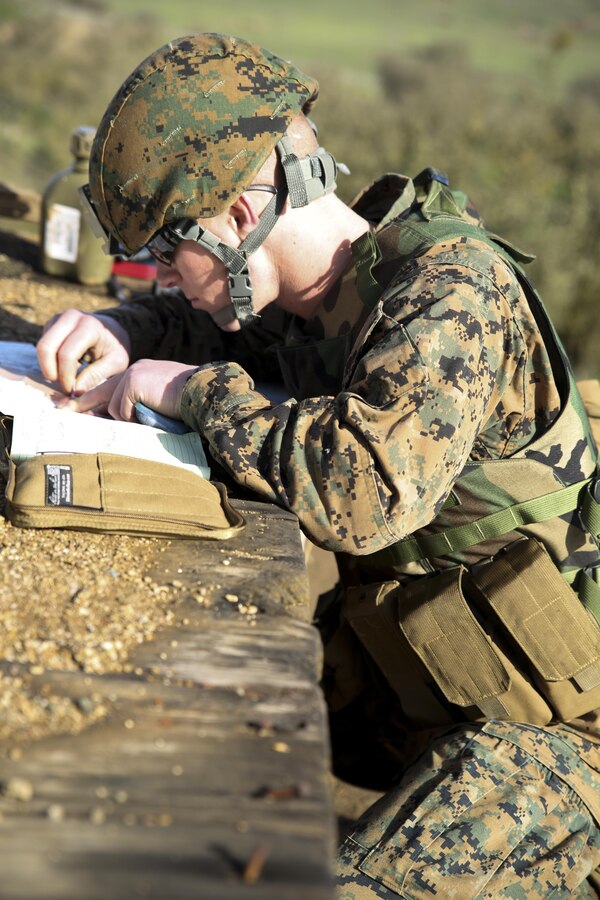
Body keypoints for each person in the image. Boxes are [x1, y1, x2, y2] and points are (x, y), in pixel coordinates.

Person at [37, 33, 600, 897]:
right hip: (428, 678)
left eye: (164, 252)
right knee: (178, 756)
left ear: (234, 219)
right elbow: (222, 325)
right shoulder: (328, 291)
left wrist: (195, 391)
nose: (159, 274)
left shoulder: (450, 294)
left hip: (565, 740)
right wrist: (127, 329)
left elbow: (362, 495)